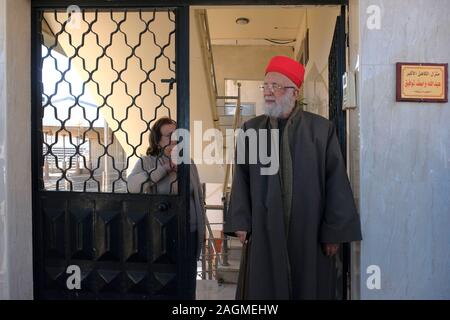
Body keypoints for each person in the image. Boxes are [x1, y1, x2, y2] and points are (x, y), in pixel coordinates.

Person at [224, 56, 362, 300]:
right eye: (265, 86)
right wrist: (241, 221)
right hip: (265, 228)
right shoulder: (250, 130)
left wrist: (333, 233)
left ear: (294, 92)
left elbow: (336, 181)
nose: (268, 92)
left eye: (275, 86)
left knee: (308, 285)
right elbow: (241, 178)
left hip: (309, 230)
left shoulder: (321, 130)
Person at [128, 117, 205, 299]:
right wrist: (166, 167)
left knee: (187, 283)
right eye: (168, 135)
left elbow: (197, 197)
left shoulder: (189, 162)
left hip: (190, 232)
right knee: (164, 283)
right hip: (162, 233)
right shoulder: (147, 161)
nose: (174, 140)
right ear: (157, 139)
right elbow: (132, 186)